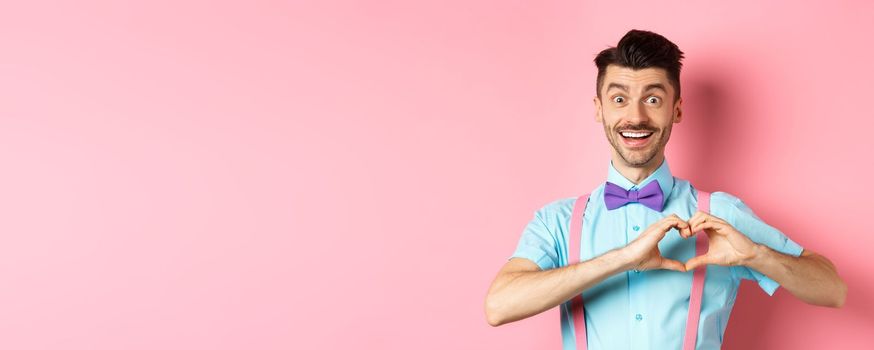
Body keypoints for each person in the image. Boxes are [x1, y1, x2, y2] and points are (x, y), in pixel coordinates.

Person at [483, 29, 847, 349]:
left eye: (653, 99)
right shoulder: (557, 222)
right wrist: (623, 258)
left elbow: (833, 290)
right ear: (599, 109)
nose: (637, 117)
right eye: (620, 99)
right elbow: (499, 306)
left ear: (677, 110)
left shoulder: (722, 215)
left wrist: (756, 255)